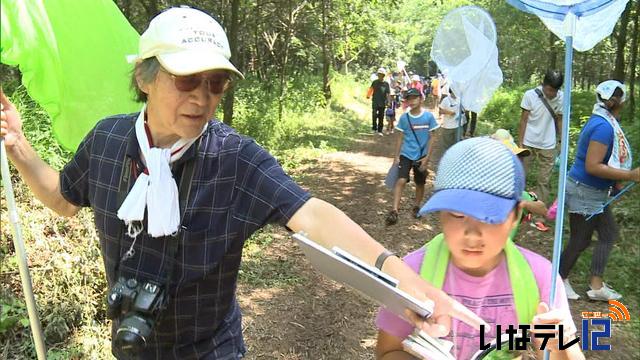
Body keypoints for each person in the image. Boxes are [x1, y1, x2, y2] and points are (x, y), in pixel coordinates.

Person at [0, 7, 485, 359]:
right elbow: (62, 199)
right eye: (187, 79)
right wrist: (18, 144)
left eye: (216, 83)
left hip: (214, 350)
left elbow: (313, 216)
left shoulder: (233, 159)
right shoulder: (106, 141)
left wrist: (414, 286)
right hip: (133, 347)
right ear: (145, 77)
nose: (203, 97)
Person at [376, 137, 584, 360]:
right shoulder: (412, 272)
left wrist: (562, 344)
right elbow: (388, 351)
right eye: (457, 215)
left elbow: (560, 355)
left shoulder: (540, 278)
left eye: (489, 217)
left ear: (515, 216)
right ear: (441, 214)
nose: (473, 235)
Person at [559, 80, 639, 302]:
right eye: (622, 100)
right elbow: (592, 166)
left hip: (593, 192)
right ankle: (558, 279)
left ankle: (596, 285)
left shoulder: (603, 121)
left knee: (608, 233)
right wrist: (630, 175)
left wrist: (616, 182)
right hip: (584, 191)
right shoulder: (603, 127)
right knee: (580, 239)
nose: (623, 104)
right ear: (615, 102)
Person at [386, 88, 438, 226]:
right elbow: (400, 138)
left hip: (422, 156)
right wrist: (396, 157)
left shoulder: (429, 117)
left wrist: (427, 158)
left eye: (415, 98)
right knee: (401, 180)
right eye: (409, 99)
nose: (412, 101)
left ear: (421, 99)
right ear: (407, 102)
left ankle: (416, 206)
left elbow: (433, 137)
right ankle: (394, 210)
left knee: (420, 183)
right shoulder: (404, 118)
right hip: (406, 154)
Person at [492, 129, 550, 237]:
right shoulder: (479, 190)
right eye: (511, 160)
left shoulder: (517, 194)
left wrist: (524, 203)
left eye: (518, 159)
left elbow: (542, 209)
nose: (517, 164)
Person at [518, 70, 564, 206]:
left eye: (554, 91)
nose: (551, 94)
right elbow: (523, 120)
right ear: (543, 85)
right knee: (521, 175)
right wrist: (520, 143)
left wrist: (561, 140)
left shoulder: (562, 98)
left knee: (544, 180)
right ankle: (517, 205)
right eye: (549, 90)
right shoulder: (530, 96)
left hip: (548, 144)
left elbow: (560, 120)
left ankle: (539, 207)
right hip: (528, 141)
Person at [437, 88, 466, 153]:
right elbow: (440, 111)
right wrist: (449, 112)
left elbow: (464, 110)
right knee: (447, 144)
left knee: (457, 144)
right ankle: (447, 157)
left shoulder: (460, 99)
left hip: (458, 125)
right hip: (448, 126)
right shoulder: (445, 100)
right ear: (451, 91)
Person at [367, 67, 391, 136]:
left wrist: (389, 102)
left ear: (384, 75)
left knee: (381, 116)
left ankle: (380, 130)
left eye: (381, 74)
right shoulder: (374, 82)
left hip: (382, 102)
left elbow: (388, 94)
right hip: (375, 101)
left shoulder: (386, 84)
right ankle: (374, 128)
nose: (380, 76)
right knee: (374, 114)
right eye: (379, 74)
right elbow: (371, 89)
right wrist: (368, 95)